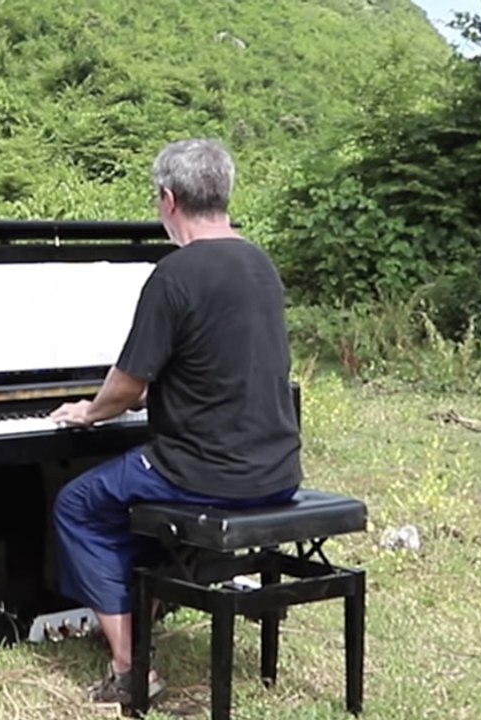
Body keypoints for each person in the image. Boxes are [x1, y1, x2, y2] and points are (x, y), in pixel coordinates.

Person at [48, 138, 303, 705]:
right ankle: (141, 606)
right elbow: (215, 364)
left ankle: (129, 665)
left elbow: (127, 386)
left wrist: (89, 411)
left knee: (77, 505)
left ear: (167, 199)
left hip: (205, 474)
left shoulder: (174, 274)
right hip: (278, 468)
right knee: (133, 499)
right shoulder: (260, 263)